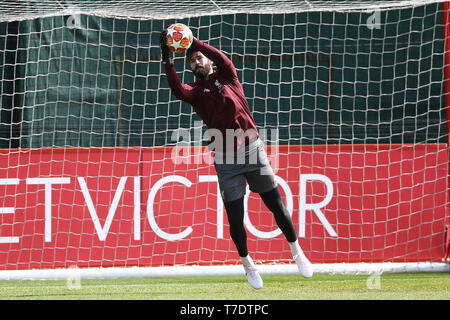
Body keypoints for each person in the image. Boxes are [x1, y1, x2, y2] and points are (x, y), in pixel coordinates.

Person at [159, 30, 313, 289]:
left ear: (207, 60)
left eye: (199, 58)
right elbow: (177, 90)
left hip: (253, 148)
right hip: (225, 157)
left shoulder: (227, 76)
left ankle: (297, 252)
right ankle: (248, 265)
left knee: (275, 204)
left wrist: (192, 40)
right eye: (192, 61)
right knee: (235, 217)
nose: (197, 62)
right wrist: (167, 58)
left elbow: (221, 57)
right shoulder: (195, 92)